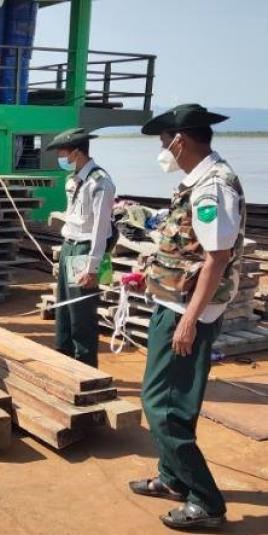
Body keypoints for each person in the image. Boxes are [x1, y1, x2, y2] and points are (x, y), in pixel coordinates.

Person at [128, 104, 243, 531]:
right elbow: (187, 246)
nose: (162, 150)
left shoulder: (213, 187)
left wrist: (190, 321)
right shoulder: (197, 180)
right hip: (174, 302)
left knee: (162, 404)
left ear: (179, 141)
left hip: (187, 311)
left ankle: (206, 500)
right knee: (171, 401)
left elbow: (217, 258)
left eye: (164, 142)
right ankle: (173, 478)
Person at [47, 127, 116, 369]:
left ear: (76, 153)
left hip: (85, 250)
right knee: (64, 309)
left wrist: (92, 266)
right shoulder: (73, 179)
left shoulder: (100, 183)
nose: (60, 158)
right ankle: (64, 359)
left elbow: (100, 228)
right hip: (69, 247)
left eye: (62, 153)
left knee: (81, 313)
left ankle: (85, 368)